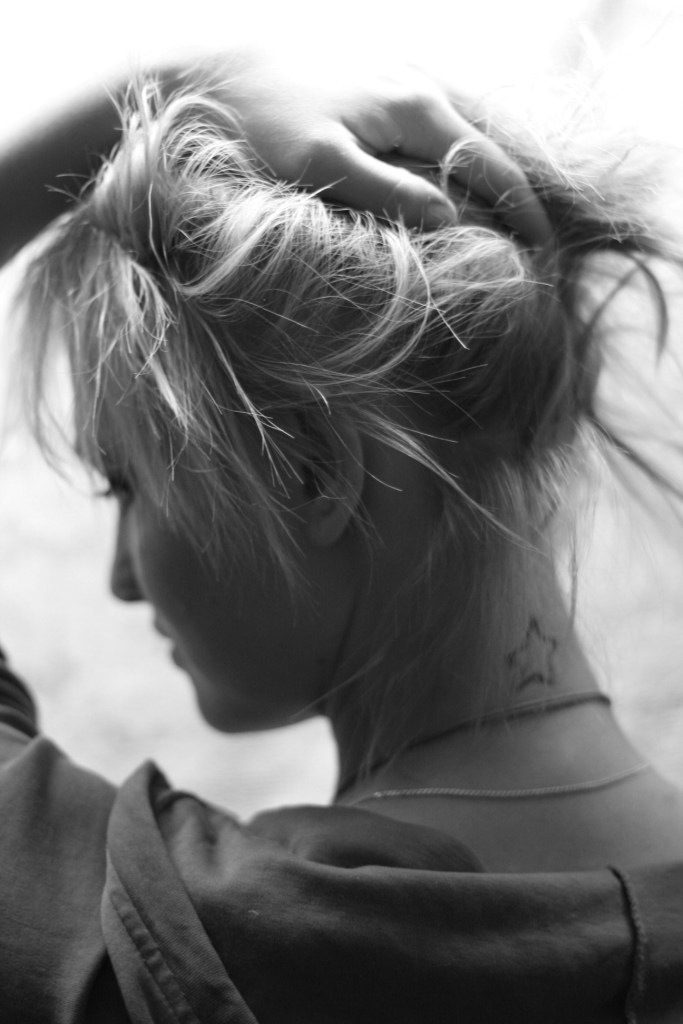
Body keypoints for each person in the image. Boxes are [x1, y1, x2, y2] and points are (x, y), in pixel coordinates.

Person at [1, 51, 682, 1023]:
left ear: (309, 469)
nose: (121, 579)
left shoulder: (155, 942)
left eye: (127, 485)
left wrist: (171, 84)